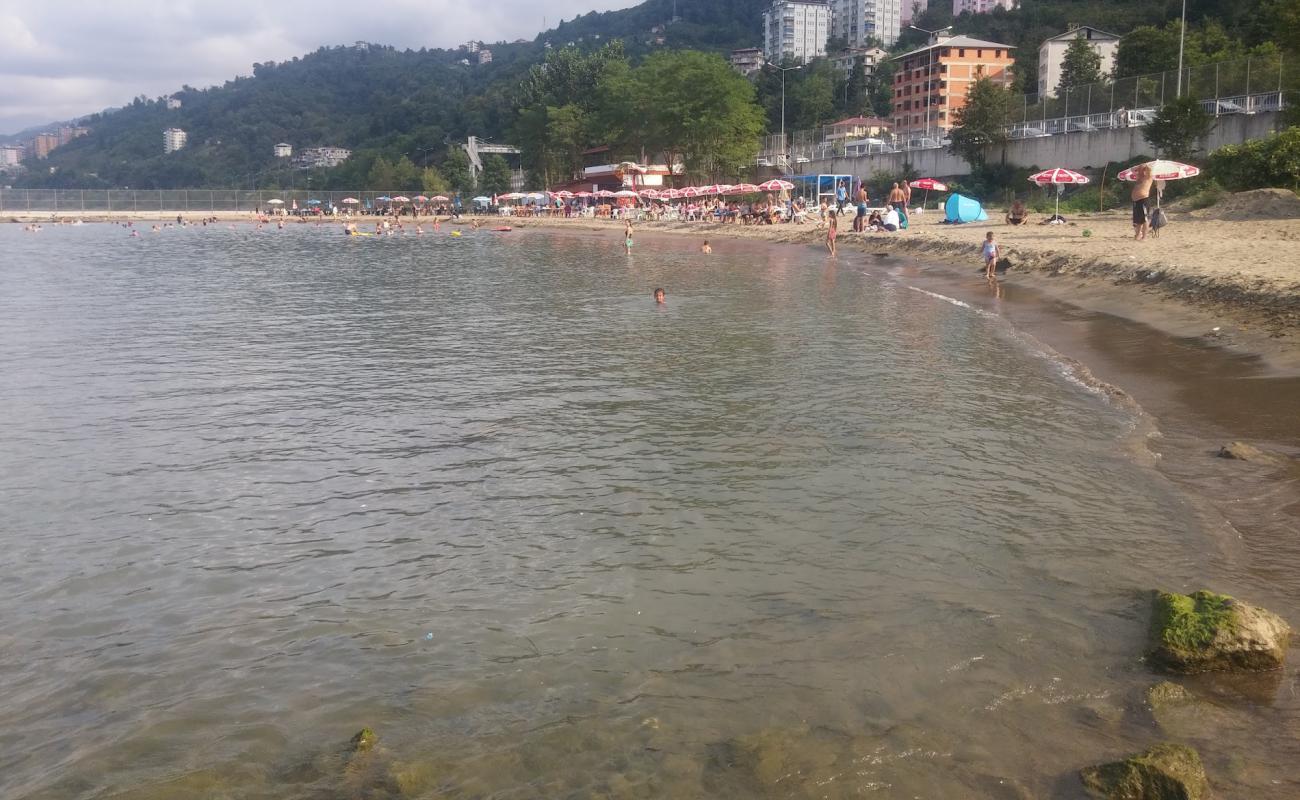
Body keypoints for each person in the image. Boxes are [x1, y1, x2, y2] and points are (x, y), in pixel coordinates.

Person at [1131, 164, 1153, 240]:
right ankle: (1137, 236)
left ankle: (1144, 237)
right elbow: (1132, 169)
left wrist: (1145, 166)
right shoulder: (1138, 178)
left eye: (1141, 169)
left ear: (1144, 170)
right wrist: (1139, 167)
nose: (1139, 171)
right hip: (1136, 201)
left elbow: (1150, 169)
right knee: (1138, 220)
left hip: (1143, 200)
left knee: (1145, 220)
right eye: (1139, 170)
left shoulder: (1148, 177)